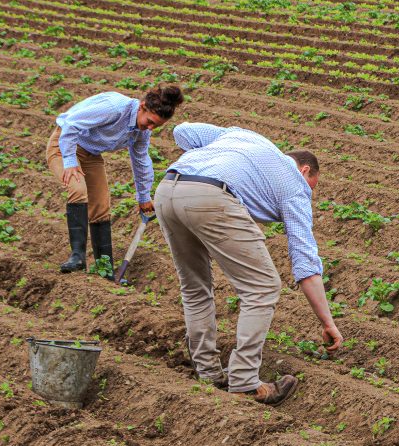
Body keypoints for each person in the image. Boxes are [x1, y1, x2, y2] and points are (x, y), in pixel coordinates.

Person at [154, 122, 343, 406]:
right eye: (311, 188)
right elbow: (304, 260)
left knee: (194, 287)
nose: (308, 195)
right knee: (263, 287)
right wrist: (327, 322)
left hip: (169, 187)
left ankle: (208, 374)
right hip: (213, 196)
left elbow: (182, 131)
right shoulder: (294, 182)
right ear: (304, 171)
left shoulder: (246, 137)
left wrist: (213, 160)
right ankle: (243, 382)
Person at [46, 85, 184, 276]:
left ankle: (105, 268)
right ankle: (77, 257)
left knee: (101, 204)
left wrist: (144, 197)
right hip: (64, 145)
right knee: (78, 189)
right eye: (150, 121)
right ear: (142, 107)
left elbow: (141, 160)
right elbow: (71, 124)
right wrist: (69, 161)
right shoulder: (114, 107)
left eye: (156, 126)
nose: (150, 128)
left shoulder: (142, 131)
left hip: (91, 154)